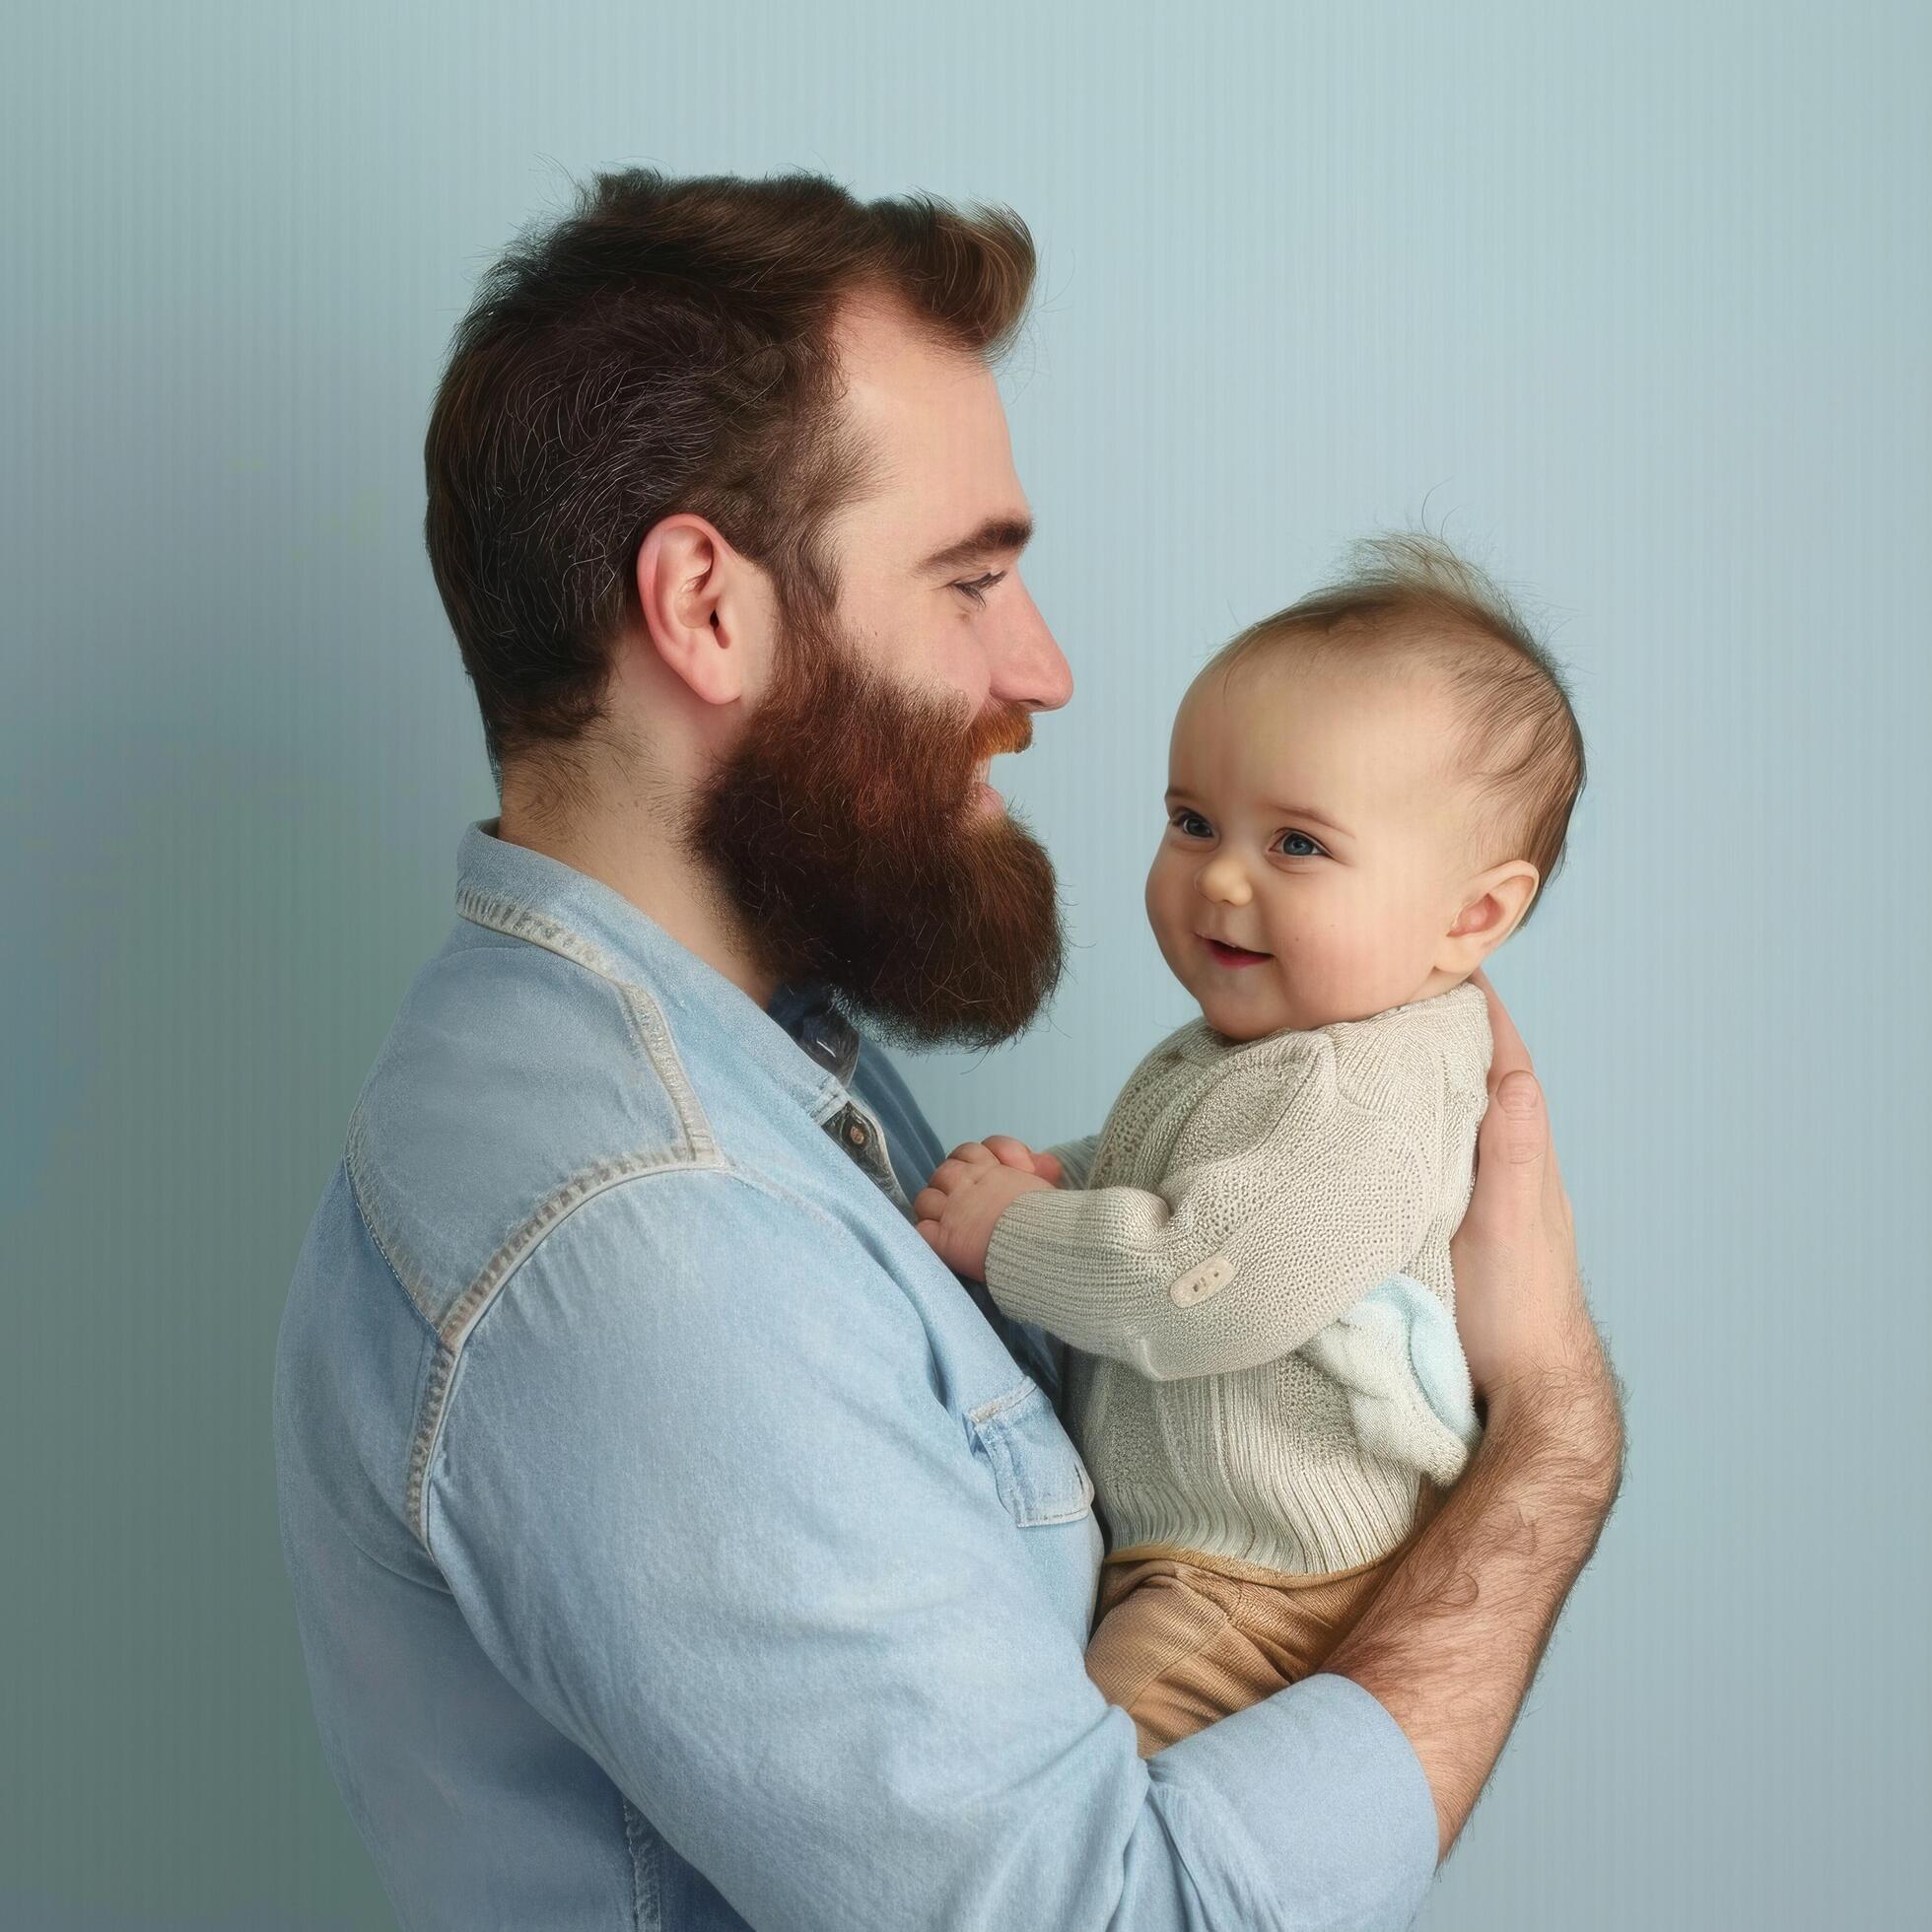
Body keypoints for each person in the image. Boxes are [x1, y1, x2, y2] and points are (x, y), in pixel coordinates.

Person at [273, 167, 1624, 1931]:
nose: (1047, 668)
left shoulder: (762, 1073)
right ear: (708, 607)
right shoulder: (646, 1235)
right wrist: (1551, 1449)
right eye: (972, 578)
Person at [913, 537, 1586, 1755]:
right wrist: (1071, 1173)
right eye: (1192, 820)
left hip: (1261, 1588)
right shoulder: (1285, 1042)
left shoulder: (1373, 1083)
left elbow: (1208, 1276)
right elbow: (1199, 1175)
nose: (1221, 879)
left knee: (1073, 1801)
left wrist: (1013, 1230)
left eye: (1297, 845)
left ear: (1472, 915)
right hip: (1204, 1559)